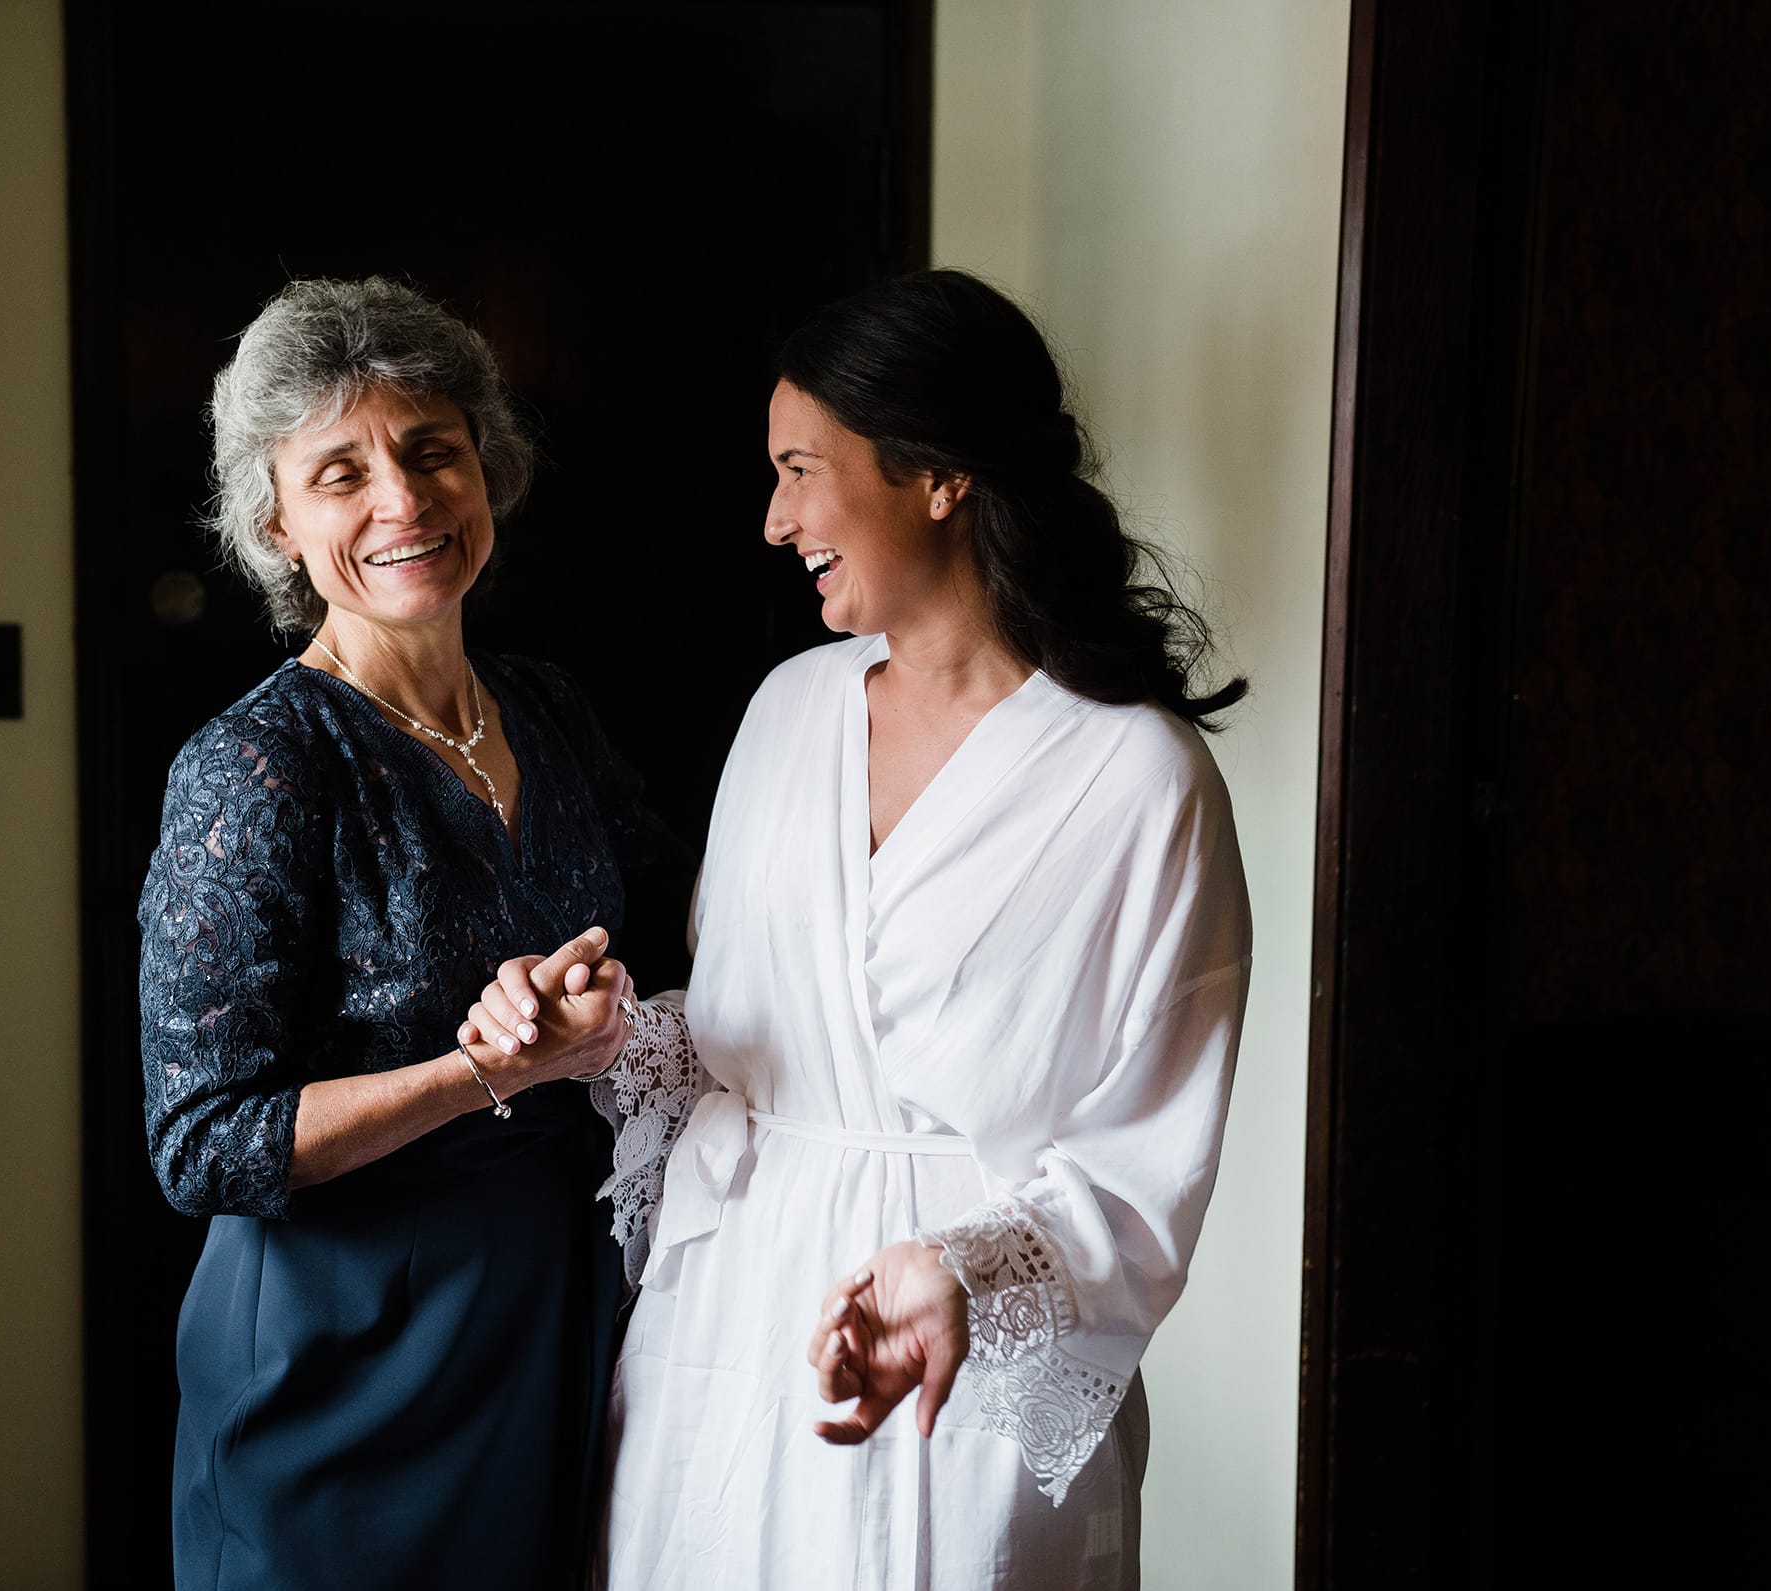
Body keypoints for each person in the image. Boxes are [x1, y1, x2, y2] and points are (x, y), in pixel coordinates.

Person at [462, 269, 1254, 1587]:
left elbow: (1142, 1152)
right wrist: (598, 1035)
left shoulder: (1137, 780)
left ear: (937, 474)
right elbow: (743, 1033)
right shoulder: (789, 711)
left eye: (799, 470)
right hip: (731, 1310)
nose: (774, 522)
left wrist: (964, 1272)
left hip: (959, 1353)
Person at [137, 277, 686, 1588]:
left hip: (551, 1314)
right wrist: (484, 1068)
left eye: (431, 449)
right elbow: (202, 1148)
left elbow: (679, 956)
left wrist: (588, 1006)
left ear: (485, 468)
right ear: (275, 521)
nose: (402, 499)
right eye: (341, 472)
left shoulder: (549, 714)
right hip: (337, 1360)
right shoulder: (257, 766)